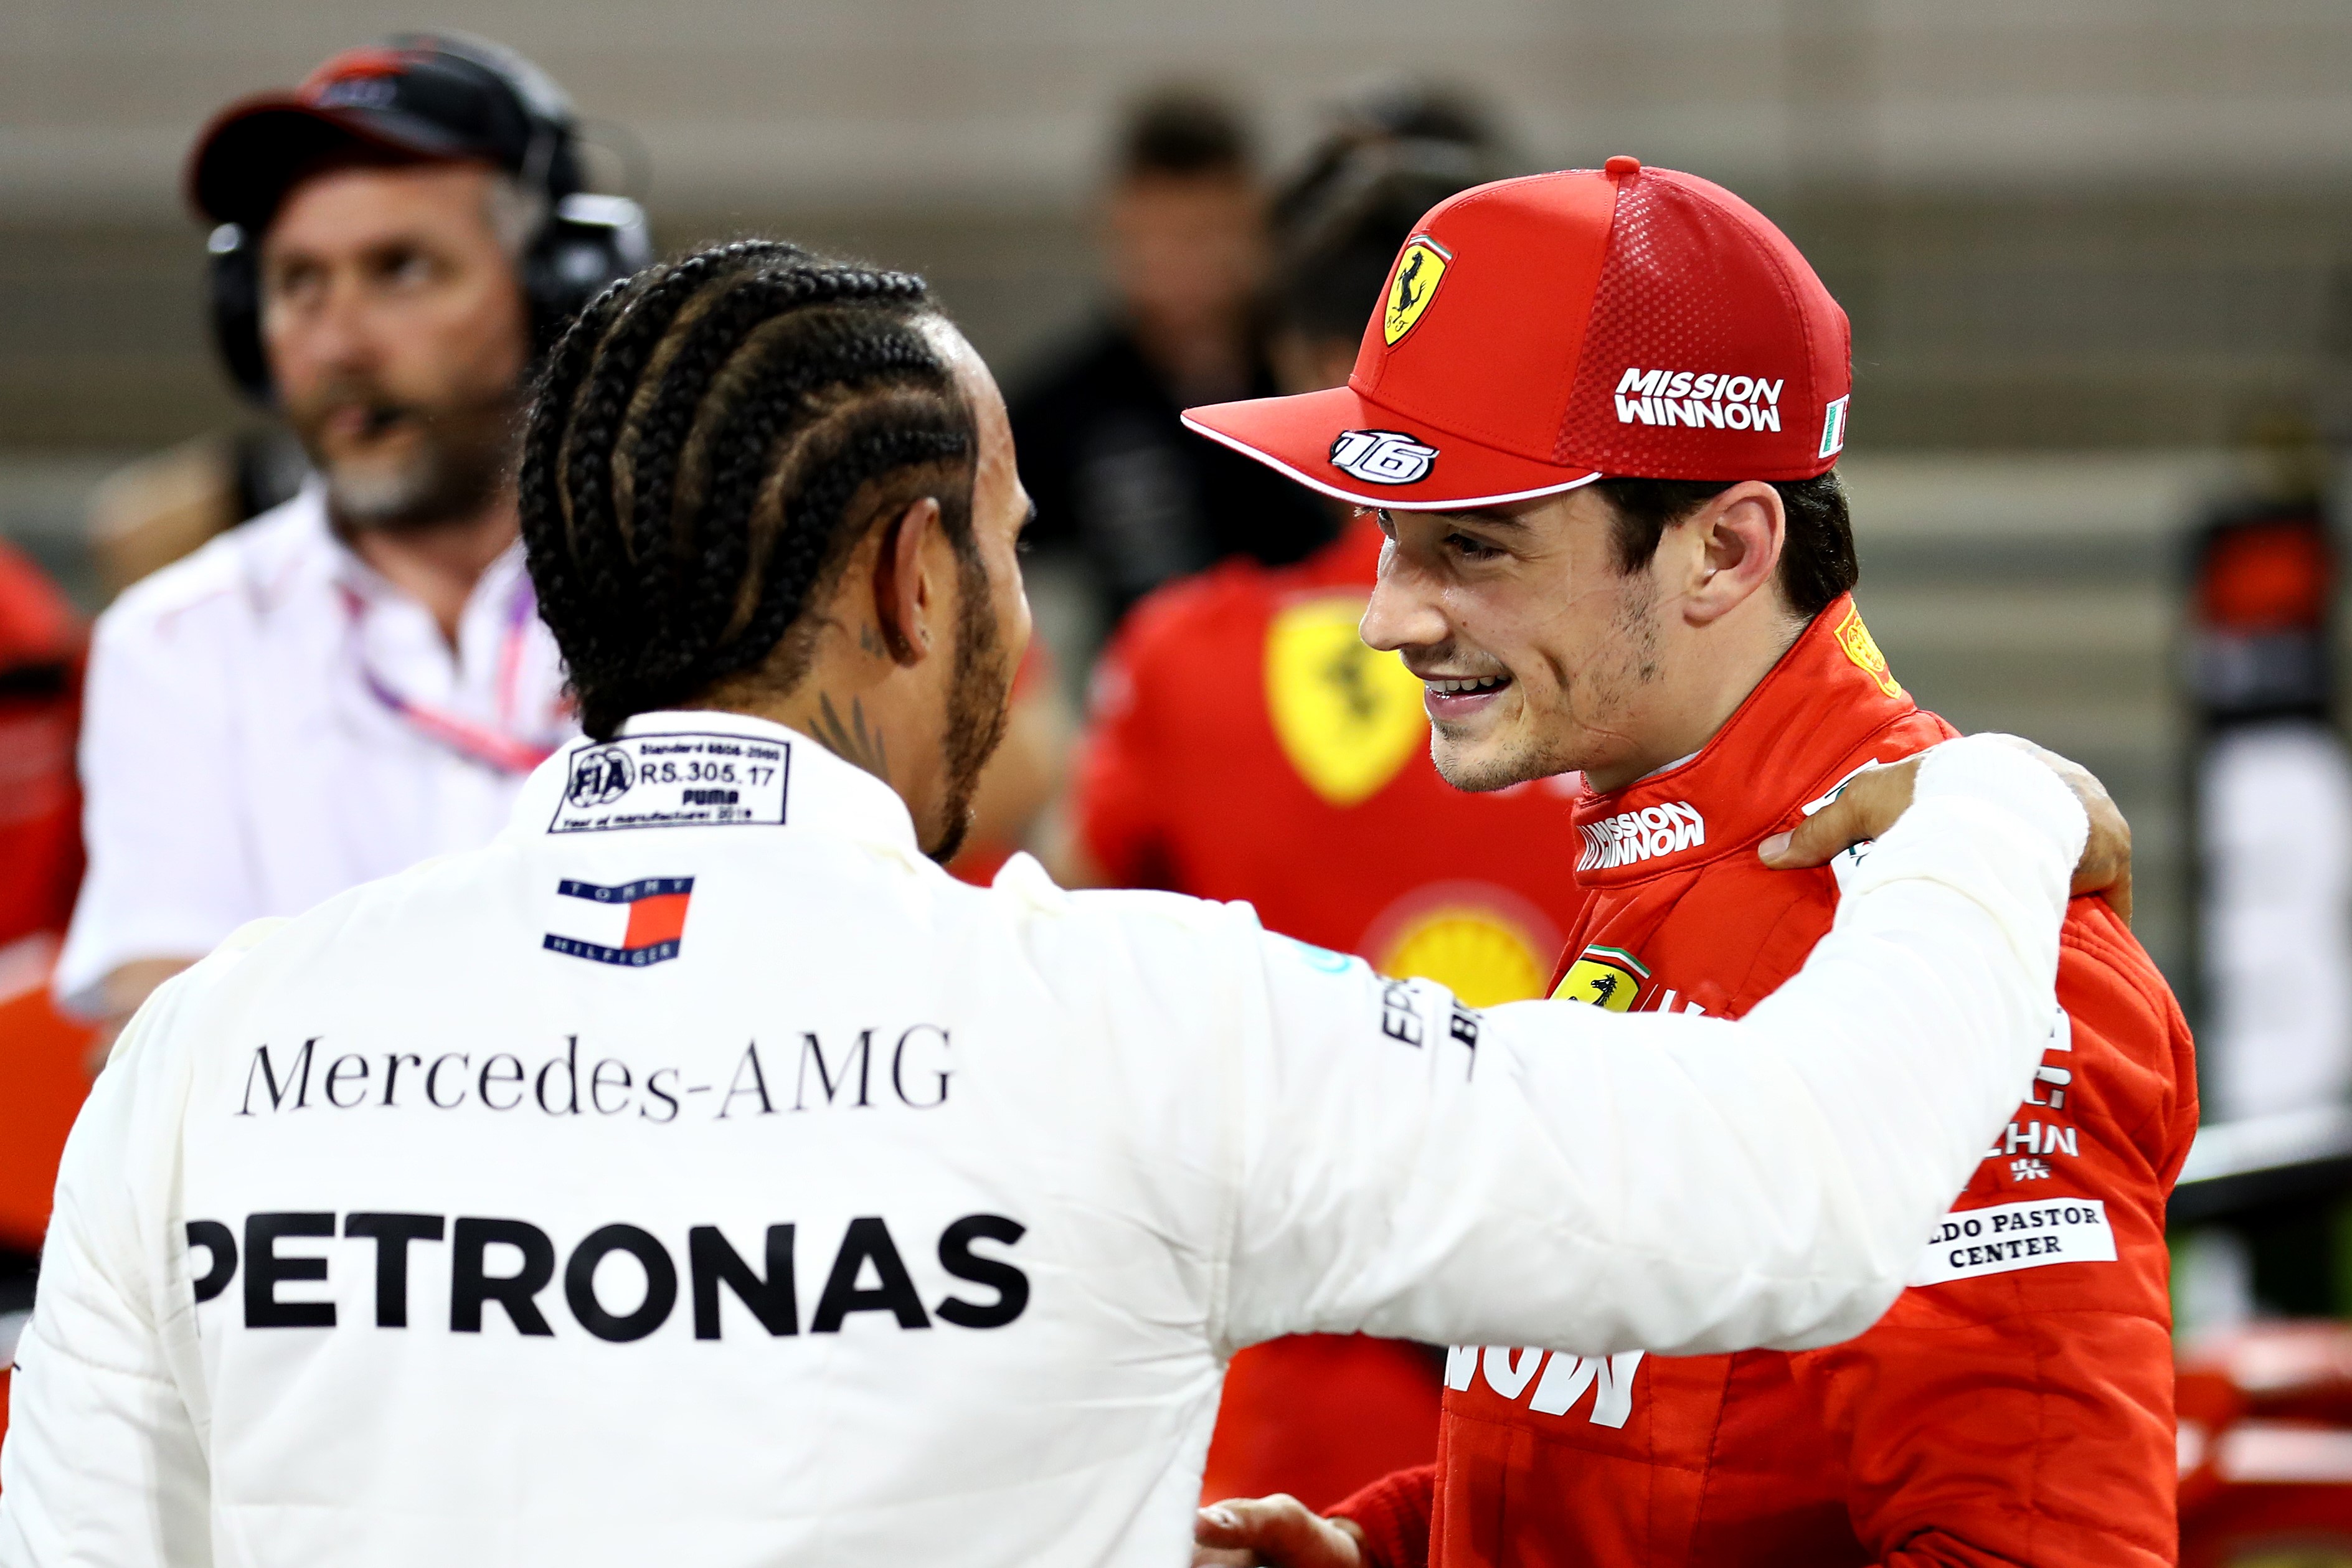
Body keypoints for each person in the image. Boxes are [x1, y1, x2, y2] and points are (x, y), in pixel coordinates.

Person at [0, 240, 2117, 1566]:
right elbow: (1801, 1191)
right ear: (917, 579)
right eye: (1011, 549)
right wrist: (1988, 811)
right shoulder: (1118, 1017)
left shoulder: (207, 1054)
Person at [1183, 159, 2193, 1568]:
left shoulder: (1974, 960)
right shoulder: (1659, 859)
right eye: (1388, 537)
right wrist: (1384, 1546)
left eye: (1472, 545)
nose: (1387, 618)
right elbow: (1661, 1450)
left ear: (1721, 546)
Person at [1068, 142, 1566, 1511]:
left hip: (1300, 1456)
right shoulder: (1679, 681)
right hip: (1610, 1412)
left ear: (1306, 370)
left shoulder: (1180, 664)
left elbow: (1078, 978)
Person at [52, 33, 650, 1043]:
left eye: (402, 269)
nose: (338, 341)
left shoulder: (709, 596)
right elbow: (160, 1060)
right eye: (298, 283)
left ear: (564, 292)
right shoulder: (176, 644)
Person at [1009, 87, 1331, 628]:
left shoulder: (1319, 385)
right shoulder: (1062, 411)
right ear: (1114, 228)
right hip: (1146, 693)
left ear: (1257, 227)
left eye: (1206, 235)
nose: (1184, 268)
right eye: (1157, 240)